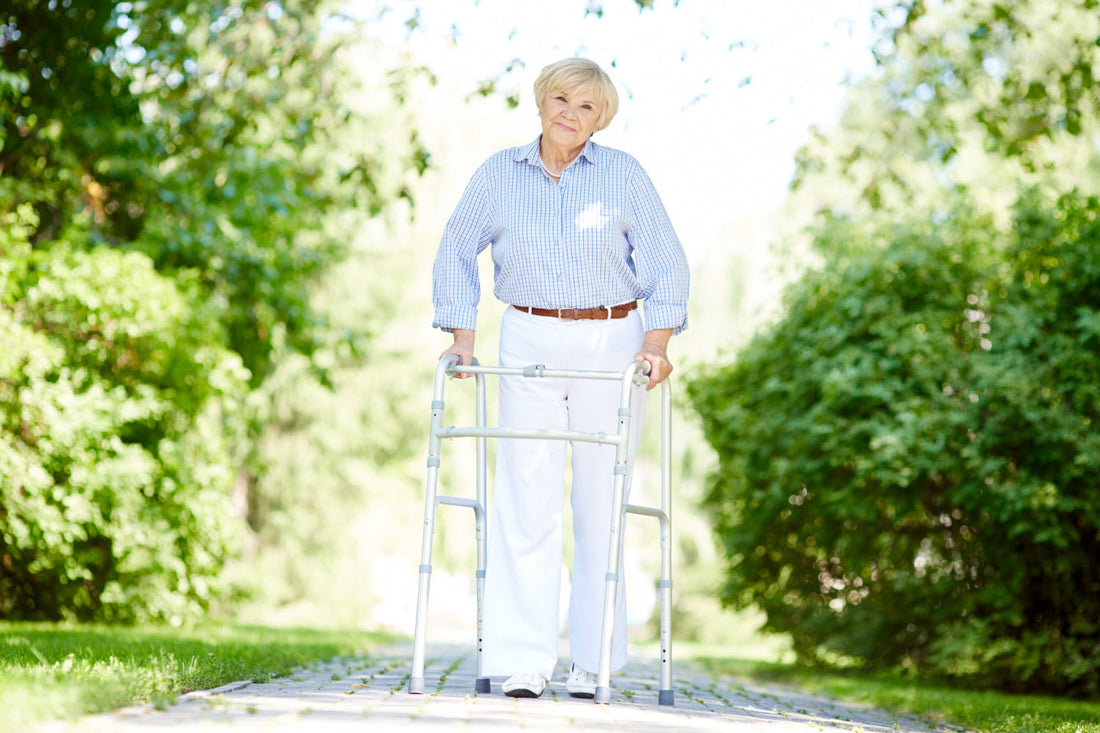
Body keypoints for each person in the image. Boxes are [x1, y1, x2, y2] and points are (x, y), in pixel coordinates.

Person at [431, 57, 689, 699]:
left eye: (588, 109)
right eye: (564, 101)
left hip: (612, 339)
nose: (572, 116)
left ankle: (593, 662)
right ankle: (524, 659)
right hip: (527, 334)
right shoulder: (499, 173)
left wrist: (657, 343)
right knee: (527, 492)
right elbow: (457, 246)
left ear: (601, 120)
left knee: (601, 498)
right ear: (542, 101)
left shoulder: (624, 176)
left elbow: (666, 262)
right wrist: (463, 336)